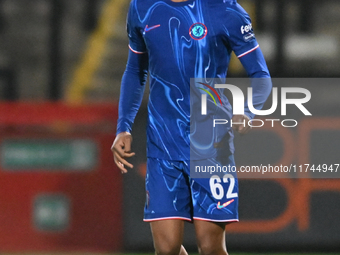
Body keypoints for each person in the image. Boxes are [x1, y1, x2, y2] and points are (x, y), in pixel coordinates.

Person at [111, 0, 272, 254]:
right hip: (162, 141)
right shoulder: (142, 7)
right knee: (167, 248)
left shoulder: (227, 10)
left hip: (210, 142)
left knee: (209, 246)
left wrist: (249, 111)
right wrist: (124, 126)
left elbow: (261, 76)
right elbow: (135, 69)